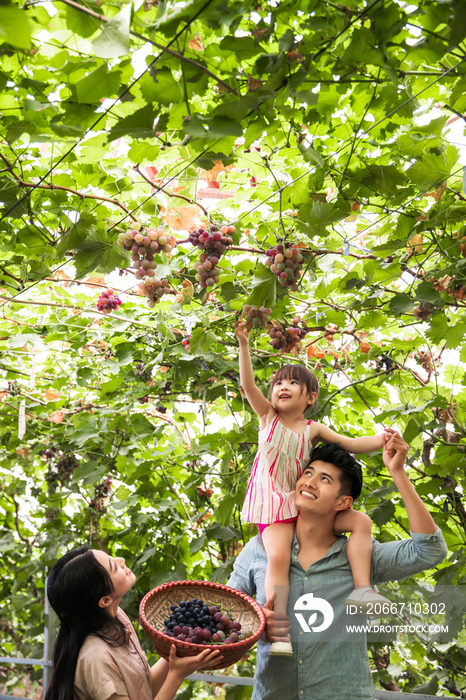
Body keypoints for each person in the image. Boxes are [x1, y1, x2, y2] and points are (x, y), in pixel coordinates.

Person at [227, 431, 448, 700]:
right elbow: (224, 614)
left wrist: (398, 473)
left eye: (325, 479)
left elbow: (430, 550)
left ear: (343, 502)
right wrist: (256, 624)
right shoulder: (259, 549)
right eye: (308, 473)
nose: (309, 482)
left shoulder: (361, 556)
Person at [236, 323, 390, 655]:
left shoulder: (312, 428)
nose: (283, 387)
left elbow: (350, 443)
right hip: (275, 506)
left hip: (304, 506)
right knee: (277, 556)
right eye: (278, 383)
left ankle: (363, 591)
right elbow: (247, 384)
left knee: (360, 522)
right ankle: (279, 634)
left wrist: (384, 440)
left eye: (293, 383)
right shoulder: (268, 418)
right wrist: (244, 345)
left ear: (311, 397)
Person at [45, 546, 222, 700]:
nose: (121, 560)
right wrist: (176, 676)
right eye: (114, 567)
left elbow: (143, 689)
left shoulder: (116, 618)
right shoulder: (96, 658)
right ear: (105, 600)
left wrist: (176, 651)